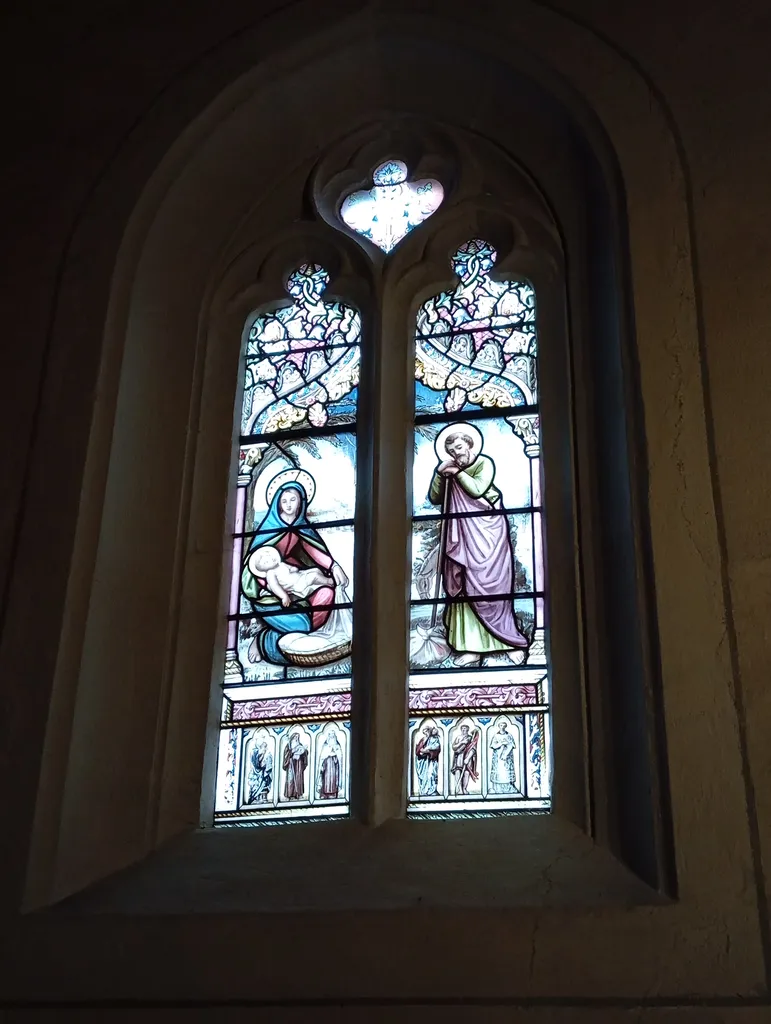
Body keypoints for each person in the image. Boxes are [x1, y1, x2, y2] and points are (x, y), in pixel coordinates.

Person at [429, 429, 528, 667]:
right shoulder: (450, 469)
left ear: (470, 445)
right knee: (462, 585)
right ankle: (470, 647)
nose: (456, 454)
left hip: (488, 533)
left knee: (493, 585)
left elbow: (478, 489)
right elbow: (435, 497)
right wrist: (439, 475)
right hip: (460, 533)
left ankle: (506, 642)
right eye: (451, 451)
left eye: (459, 448)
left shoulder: (484, 463)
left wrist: (456, 473)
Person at [242, 480, 349, 664]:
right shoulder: (268, 531)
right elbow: (257, 569)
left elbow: (314, 551)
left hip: (297, 585)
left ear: (301, 502)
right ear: (277, 504)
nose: (289, 504)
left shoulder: (302, 528)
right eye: (284, 501)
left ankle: (299, 635)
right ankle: (264, 642)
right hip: (271, 598)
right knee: (301, 625)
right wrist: (279, 590)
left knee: (325, 593)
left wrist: (334, 566)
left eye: (293, 499)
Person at [248, 545, 330, 607]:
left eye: (270, 556)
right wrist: (284, 596)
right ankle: (328, 581)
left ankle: (325, 583)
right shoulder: (271, 573)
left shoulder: (282, 564)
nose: (272, 558)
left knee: (316, 570)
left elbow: (291, 568)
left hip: (301, 575)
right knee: (314, 576)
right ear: (264, 567)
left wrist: (293, 568)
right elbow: (275, 586)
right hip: (297, 584)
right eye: (267, 560)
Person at [488, 721, 520, 795]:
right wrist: (501, 743)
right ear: (499, 726)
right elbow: (492, 745)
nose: (502, 727)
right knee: (499, 772)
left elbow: (512, 744)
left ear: (505, 727)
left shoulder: (509, 735)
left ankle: (508, 787)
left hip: (507, 758)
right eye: (501, 725)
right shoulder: (496, 736)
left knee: (506, 772)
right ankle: (497, 788)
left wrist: (507, 747)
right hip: (498, 758)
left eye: (503, 725)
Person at [451, 723, 479, 795]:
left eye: (465, 729)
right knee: (458, 772)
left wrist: (468, 758)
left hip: (467, 757)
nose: (464, 730)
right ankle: (459, 789)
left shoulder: (470, 738)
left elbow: (473, 749)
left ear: (468, 730)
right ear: (461, 729)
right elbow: (454, 747)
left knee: (466, 773)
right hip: (459, 757)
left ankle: (464, 789)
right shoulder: (458, 737)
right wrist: (461, 742)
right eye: (463, 729)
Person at [414, 724, 441, 796]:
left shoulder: (435, 739)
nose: (426, 733)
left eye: (427, 731)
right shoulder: (423, 739)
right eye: (425, 732)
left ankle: (432, 790)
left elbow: (437, 749)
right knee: (424, 776)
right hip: (423, 762)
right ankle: (424, 791)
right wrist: (422, 751)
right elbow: (418, 751)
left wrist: (428, 751)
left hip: (431, 761)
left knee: (431, 774)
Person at [317, 729, 343, 800]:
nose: (331, 737)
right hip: (327, 767)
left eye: (333, 735)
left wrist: (335, 757)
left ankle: (333, 793)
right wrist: (322, 766)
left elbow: (339, 758)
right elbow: (322, 757)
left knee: (333, 780)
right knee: (326, 779)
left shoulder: (337, 746)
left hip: (334, 767)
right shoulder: (325, 746)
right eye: (330, 735)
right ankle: (325, 793)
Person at [282, 732, 308, 800]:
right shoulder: (289, 745)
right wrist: (291, 752)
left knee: (298, 778)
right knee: (291, 779)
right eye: (295, 737)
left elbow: (304, 754)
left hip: (298, 764)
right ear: (292, 738)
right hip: (291, 764)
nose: (296, 738)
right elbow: (286, 755)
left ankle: (298, 794)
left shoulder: (300, 744)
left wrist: (304, 751)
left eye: (297, 737)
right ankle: (290, 794)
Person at [246, 739, 273, 804]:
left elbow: (266, 765)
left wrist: (267, 763)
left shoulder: (265, 754)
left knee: (264, 783)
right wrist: (264, 763)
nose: (265, 748)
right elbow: (257, 765)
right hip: (257, 774)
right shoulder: (255, 753)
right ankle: (256, 798)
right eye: (264, 747)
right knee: (257, 785)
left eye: (266, 747)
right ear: (260, 747)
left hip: (263, 774)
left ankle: (263, 798)